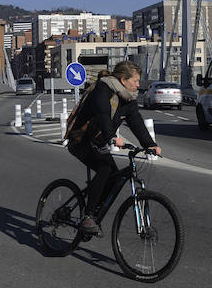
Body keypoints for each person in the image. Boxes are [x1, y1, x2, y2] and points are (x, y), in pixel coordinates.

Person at [67, 61, 161, 234]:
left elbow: (136, 122)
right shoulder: (103, 89)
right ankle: (88, 216)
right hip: (80, 139)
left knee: (114, 176)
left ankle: (95, 213)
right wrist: (112, 137)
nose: (138, 85)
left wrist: (150, 144)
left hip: (99, 142)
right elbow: (103, 113)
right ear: (124, 80)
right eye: (136, 81)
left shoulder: (128, 98)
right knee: (104, 169)